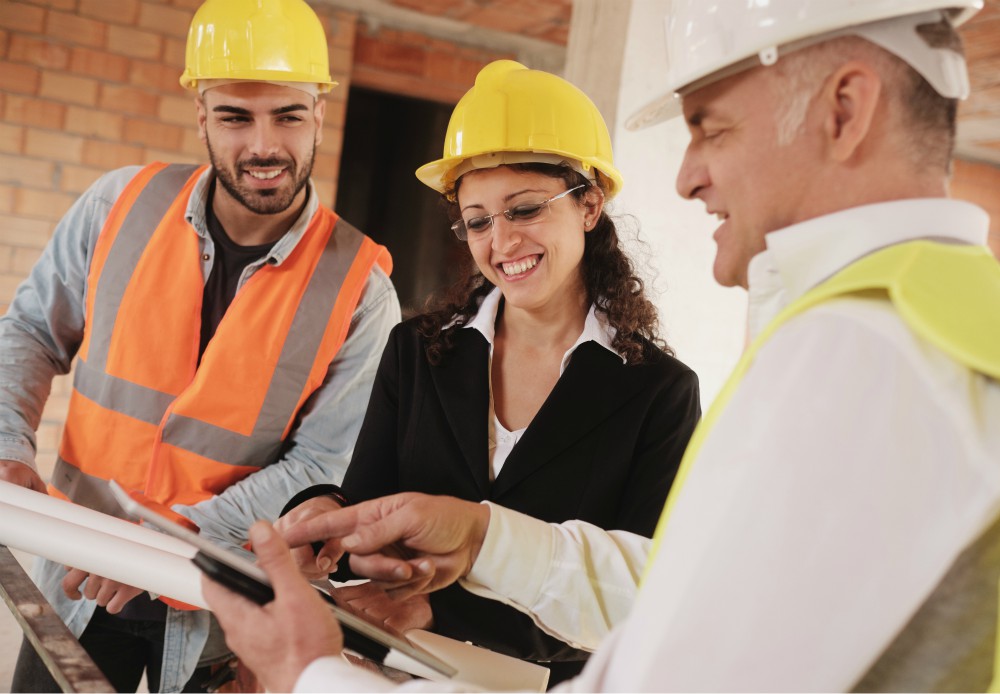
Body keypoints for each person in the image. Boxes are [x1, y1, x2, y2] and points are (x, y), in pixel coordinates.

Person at [203, 0, 1000, 691]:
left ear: (845, 109)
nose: (685, 177)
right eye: (476, 220)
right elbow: (669, 596)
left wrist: (315, 675)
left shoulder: (858, 358)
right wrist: (478, 538)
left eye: (711, 127)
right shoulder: (933, 323)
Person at [1, 0, 400, 691]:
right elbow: (31, 331)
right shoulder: (117, 206)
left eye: (288, 115)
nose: (264, 146)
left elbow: (322, 461)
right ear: (201, 114)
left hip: (224, 607)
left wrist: (164, 539)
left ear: (319, 113)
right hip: (78, 581)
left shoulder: (362, 291)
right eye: (235, 117)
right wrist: (8, 446)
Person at [273, 59, 701, 686]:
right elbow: (368, 515)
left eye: (524, 210)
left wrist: (441, 609)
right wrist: (321, 516)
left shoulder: (660, 392)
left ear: (589, 204)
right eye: (477, 221)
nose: (501, 243)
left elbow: (637, 594)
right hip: (400, 677)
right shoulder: (416, 352)